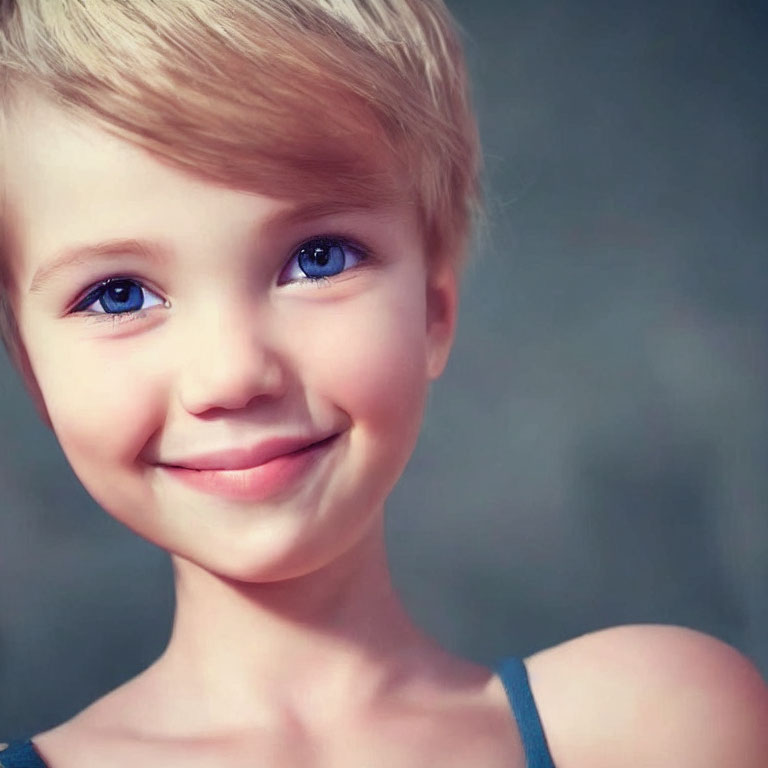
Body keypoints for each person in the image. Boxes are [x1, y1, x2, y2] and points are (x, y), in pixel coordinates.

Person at [1, 1, 767, 766]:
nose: (233, 374)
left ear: (433, 308)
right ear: (33, 368)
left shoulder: (656, 726)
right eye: (118, 296)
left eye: (319, 259)